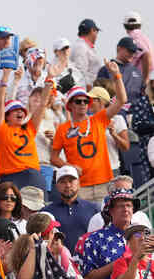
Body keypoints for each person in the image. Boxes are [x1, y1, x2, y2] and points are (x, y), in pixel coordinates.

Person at [51, 62, 128, 205]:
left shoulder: (98, 119)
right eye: (78, 101)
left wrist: (117, 75)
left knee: (106, 221)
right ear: (70, 105)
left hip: (104, 183)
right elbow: (54, 158)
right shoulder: (63, 128)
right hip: (80, 186)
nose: (83, 104)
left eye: (86, 101)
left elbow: (122, 100)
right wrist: (69, 166)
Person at [81, 188, 137, 279]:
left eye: (129, 205)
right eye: (120, 205)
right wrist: (120, 263)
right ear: (110, 211)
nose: (125, 209)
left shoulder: (141, 239)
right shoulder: (94, 239)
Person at [0, 65, 59, 190]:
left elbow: (42, 105)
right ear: (7, 116)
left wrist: (49, 79)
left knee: (40, 208)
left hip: (33, 174)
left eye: (22, 110)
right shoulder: (2, 129)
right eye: (15, 110)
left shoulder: (30, 128)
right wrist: (5, 77)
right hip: (10, 176)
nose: (20, 113)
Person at [41, 166, 99, 254]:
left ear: (78, 183)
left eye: (71, 181)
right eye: (62, 182)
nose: (67, 185)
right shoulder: (47, 212)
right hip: (58, 263)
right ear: (56, 185)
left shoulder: (93, 208)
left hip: (88, 263)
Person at [87, 87, 130, 177]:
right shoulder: (86, 121)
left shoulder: (118, 119)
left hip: (112, 169)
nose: (88, 103)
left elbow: (125, 147)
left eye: (91, 100)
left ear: (101, 102)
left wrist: (113, 134)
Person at [97, 37, 144, 105]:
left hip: (135, 112)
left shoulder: (137, 71)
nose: (133, 54)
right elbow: (100, 96)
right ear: (119, 48)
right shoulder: (105, 70)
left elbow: (142, 95)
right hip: (115, 112)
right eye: (130, 51)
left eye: (134, 52)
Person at [70, 19, 103, 90]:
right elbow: (80, 72)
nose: (97, 35)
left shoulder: (85, 46)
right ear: (92, 30)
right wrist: (88, 89)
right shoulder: (81, 47)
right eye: (96, 31)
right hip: (86, 90)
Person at [123, 11, 153, 77]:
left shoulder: (133, 39)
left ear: (125, 26)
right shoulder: (145, 38)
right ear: (140, 25)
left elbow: (146, 55)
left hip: (139, 78)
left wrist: (145, 79)